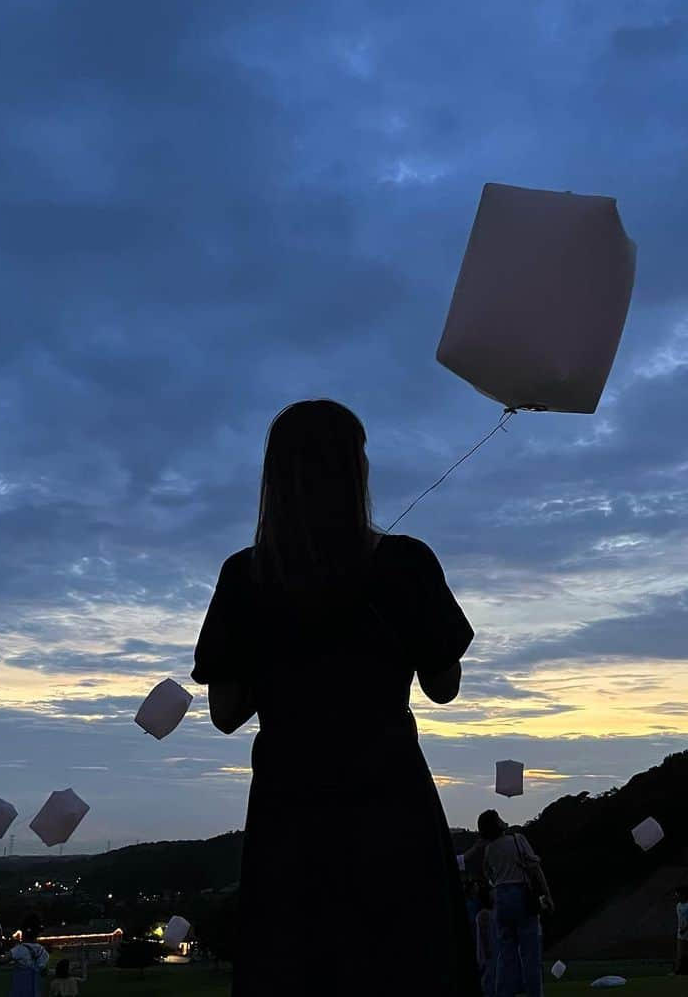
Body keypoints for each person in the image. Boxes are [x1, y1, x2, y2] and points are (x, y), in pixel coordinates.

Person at [191, 400, 479, 997]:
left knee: (298, 967)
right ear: (355, 470)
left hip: (289, 814)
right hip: (391, 807)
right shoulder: (406, 563)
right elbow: (443, 687)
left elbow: (225, 715)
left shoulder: (245, 576)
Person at [477, 810, 552, 997]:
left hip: (500, 899)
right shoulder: (518, 840)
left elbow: (488, 875)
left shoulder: (489, 849)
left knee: (505, 955)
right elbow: (535, 869)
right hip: (521, 895)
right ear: (498, 824)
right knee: (530, 954)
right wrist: (547, 895)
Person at [7, 918, 49, 997]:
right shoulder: (43, 952)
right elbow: (44, 971)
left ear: (24, 934)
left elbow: (0, 960)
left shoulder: (19, 950)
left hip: (19, 991)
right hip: (36, 992)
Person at [475, 885, 498, 997]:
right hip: (489, 955)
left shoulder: (492, 912)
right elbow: (484, 936)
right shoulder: (484, 914)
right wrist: (488, 951)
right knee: (489, 984)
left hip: (494, 954)